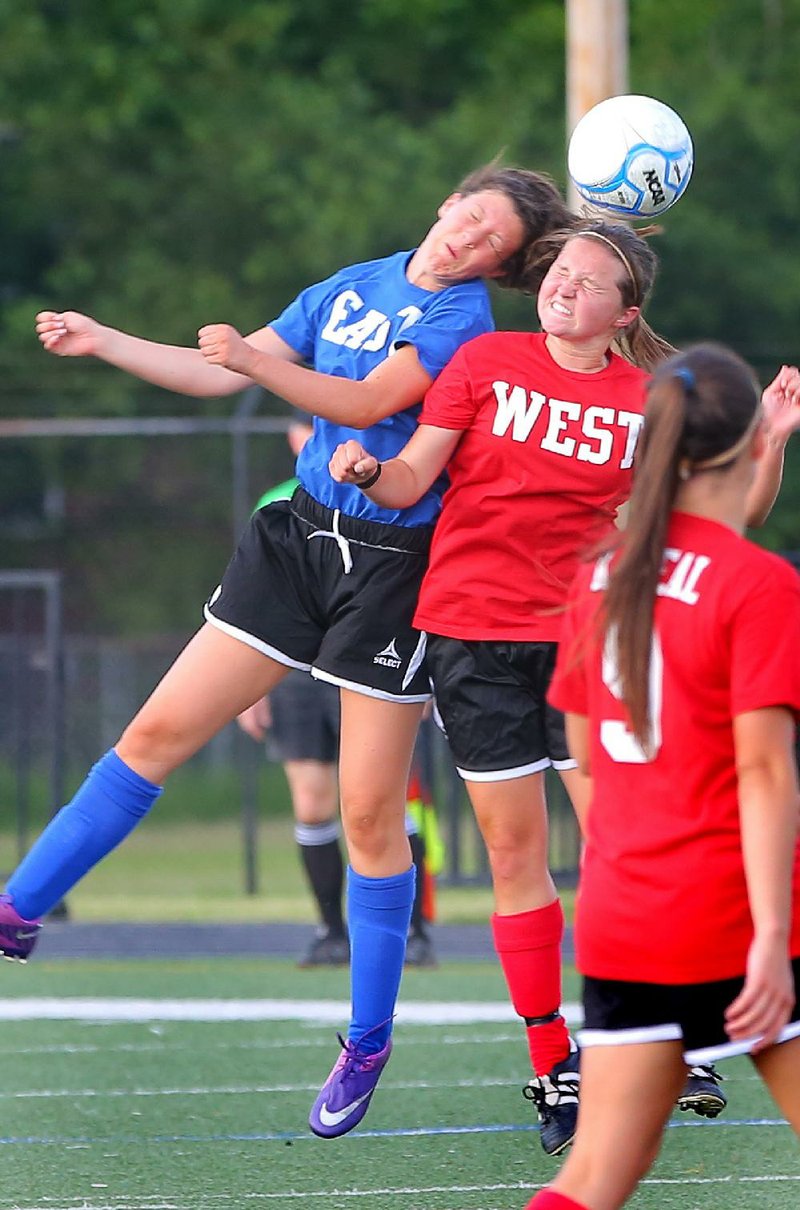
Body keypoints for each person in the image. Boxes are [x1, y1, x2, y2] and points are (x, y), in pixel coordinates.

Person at [2, 163, 573, 1142]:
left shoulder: (461, 325)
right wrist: (104, 341)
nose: (467, 240)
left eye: (491, 242)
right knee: (156, 730)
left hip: (394, 567)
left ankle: (366, 1038)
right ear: (444, 202)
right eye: (467, 217)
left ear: (502, 265)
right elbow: (220, 366)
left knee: (365, 812)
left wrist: (255, 364)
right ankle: (18, 911)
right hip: (298, 537)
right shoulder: (352, 284)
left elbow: (359, 405)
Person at [328, 218, 800, 1154]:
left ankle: (673, 1031)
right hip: (472, 632)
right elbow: (416, 470)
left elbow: (719, 516)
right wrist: (373, 471)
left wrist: (775, 440)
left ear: (625, 315)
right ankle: (555, 1064)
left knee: (628, 840)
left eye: (591, 283)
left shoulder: (646, 397)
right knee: (514, 857)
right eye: (561, 272)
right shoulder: (486, 362)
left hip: (593, 634)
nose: (565, 288)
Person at [526, 342, 800, 1210]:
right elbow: (762, 773)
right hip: (733, 915)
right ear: (748, 443)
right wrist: (767, 938)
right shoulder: (761, 586)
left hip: (627, 916)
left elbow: (585, 744)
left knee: (596, 1179)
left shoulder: (603, 577)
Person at [238, 416, 437, 968]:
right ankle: (331, 932)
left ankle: (413, 932)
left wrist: (423, 676)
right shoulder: (281, 500)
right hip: (299, 671)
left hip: (366, 655)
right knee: (312, 799)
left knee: (381, 803)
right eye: (307, 428)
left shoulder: (393, 486)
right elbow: (255, 596)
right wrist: (252, 691)